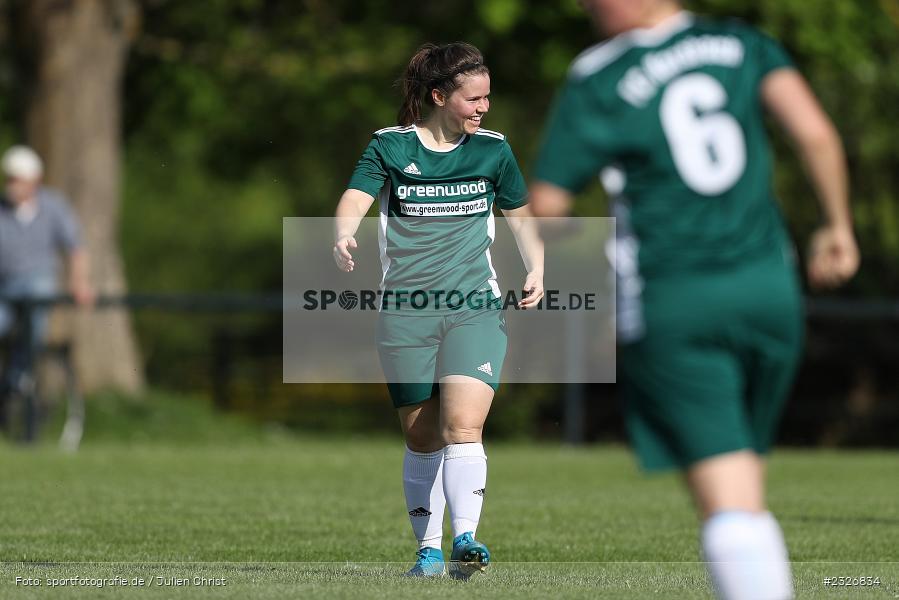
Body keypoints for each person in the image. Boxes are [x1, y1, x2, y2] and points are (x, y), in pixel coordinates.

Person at [529, 2, 859, 599]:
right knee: (744, 483)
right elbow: (814, 132)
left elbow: (546, 205)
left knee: (729, 503)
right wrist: (837, 225)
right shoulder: (743, 44)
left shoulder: (599, 75)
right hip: (770, 291)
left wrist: (568, 231)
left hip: (675, 300)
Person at [332, 42, 544, 579]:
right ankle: (428, 553)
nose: (483, 108)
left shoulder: (494, 151)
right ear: (438, 95)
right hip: (406, 313)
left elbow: (521, 219)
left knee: (463, 426)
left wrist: (536, 267)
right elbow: (356, 198)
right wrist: (342, 235)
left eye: (487, 98)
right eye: (473, 98)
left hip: (475, 308)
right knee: (421, 437)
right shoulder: (390, 147)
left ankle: (467, 539)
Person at [0, 145, 94, 414]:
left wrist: (80, 282)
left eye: (17, 179)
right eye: (9, 178)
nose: (12, 185)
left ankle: (19, 377)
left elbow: (76, 247)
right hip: (5, 288)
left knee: (36, 313)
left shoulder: (53, 207)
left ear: (34, 181)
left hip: (36, 281)